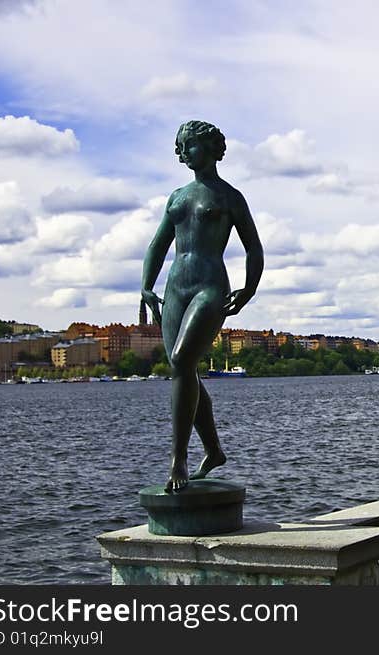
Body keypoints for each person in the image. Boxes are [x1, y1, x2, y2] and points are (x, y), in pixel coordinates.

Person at [141, 120, 264, 493]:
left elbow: (253, 247)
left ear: (211, 148)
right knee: (186, 369)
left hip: (211, 288)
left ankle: (177, 458)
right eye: (179, 147)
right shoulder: (176, 197)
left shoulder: (229, 197)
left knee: (181, 363)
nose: (182, 153)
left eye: (189, 145)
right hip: (175, 287)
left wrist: (249, 289)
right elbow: (157, 245)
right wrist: (146, 287)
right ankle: (213, 451)